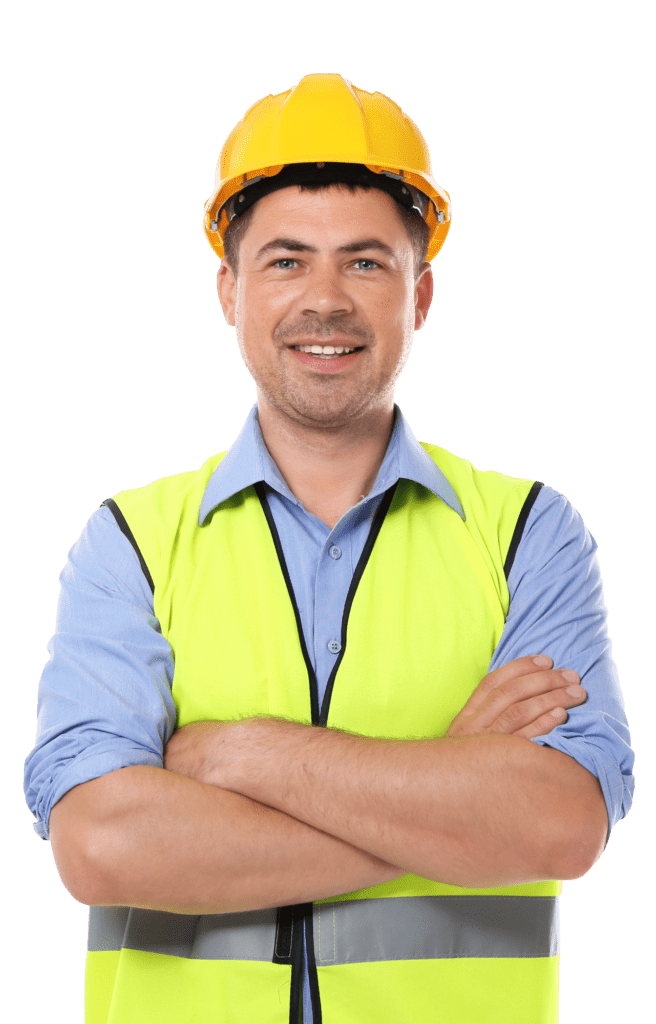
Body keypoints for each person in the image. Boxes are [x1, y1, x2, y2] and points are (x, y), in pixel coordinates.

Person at [23, 73, 635, 1024]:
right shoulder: (133, 542)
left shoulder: (527, 534)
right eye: (284, 261)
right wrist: (450, 796)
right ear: (229, 289)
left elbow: (557, 824)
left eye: (364, 263)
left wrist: (246, 755)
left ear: (419, 293)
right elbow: (102, 847)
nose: (324, 300)